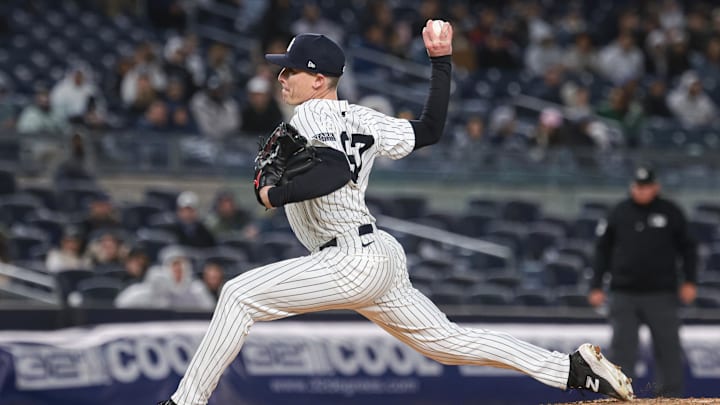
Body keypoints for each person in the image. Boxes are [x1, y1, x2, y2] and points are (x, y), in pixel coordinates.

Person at [159, 24, 634, 405]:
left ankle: (186, 402)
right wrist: (441, 61)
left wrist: (270, 195)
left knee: (238, 295)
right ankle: (571, 369)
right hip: (376, 254)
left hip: (347, 259)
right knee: (446, 343)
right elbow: (428, 129)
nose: (281, 77)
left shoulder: (307, 118)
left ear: (318, 80)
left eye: (290, 71)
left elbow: (333, 170)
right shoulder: (361, 117)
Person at [588, 165, 698, 397]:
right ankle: (620, 395)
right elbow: (602, 250)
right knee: (622, 348)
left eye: (646, 187)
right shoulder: (619, 212)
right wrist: (596, 285)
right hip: (624, 293)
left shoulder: (670, 212)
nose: (641, 191)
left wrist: (690, 281)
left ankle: (670, 398)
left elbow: (689, 249)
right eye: (638, 186)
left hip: (662, 293)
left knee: (668, 347)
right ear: (632, 187)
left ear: (655, 187)